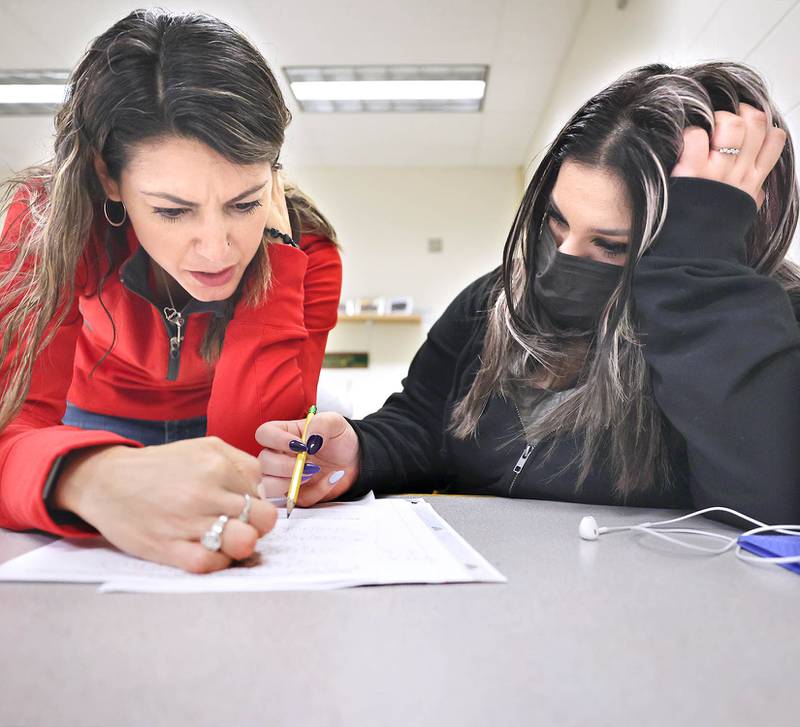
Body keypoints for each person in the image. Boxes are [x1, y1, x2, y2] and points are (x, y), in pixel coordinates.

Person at [257, 61, 800, 524]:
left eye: (611, 246)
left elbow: (764, 516)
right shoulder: (490, 301)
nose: (562, 262)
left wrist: (699, 278)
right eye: (557, 224)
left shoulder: (764, 327)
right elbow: (423, 423)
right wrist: (361, 451)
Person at [0, 10, 342, 572]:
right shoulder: (42, 227)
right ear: (109, 178)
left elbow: (255, 453)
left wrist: (277, 269)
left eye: (246, 203)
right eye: (171, 210)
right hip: (88, 426)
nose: (217, 250)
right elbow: (13, 427)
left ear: (274, 176)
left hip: (219, 418)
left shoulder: (307, 255)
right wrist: (89, 475)